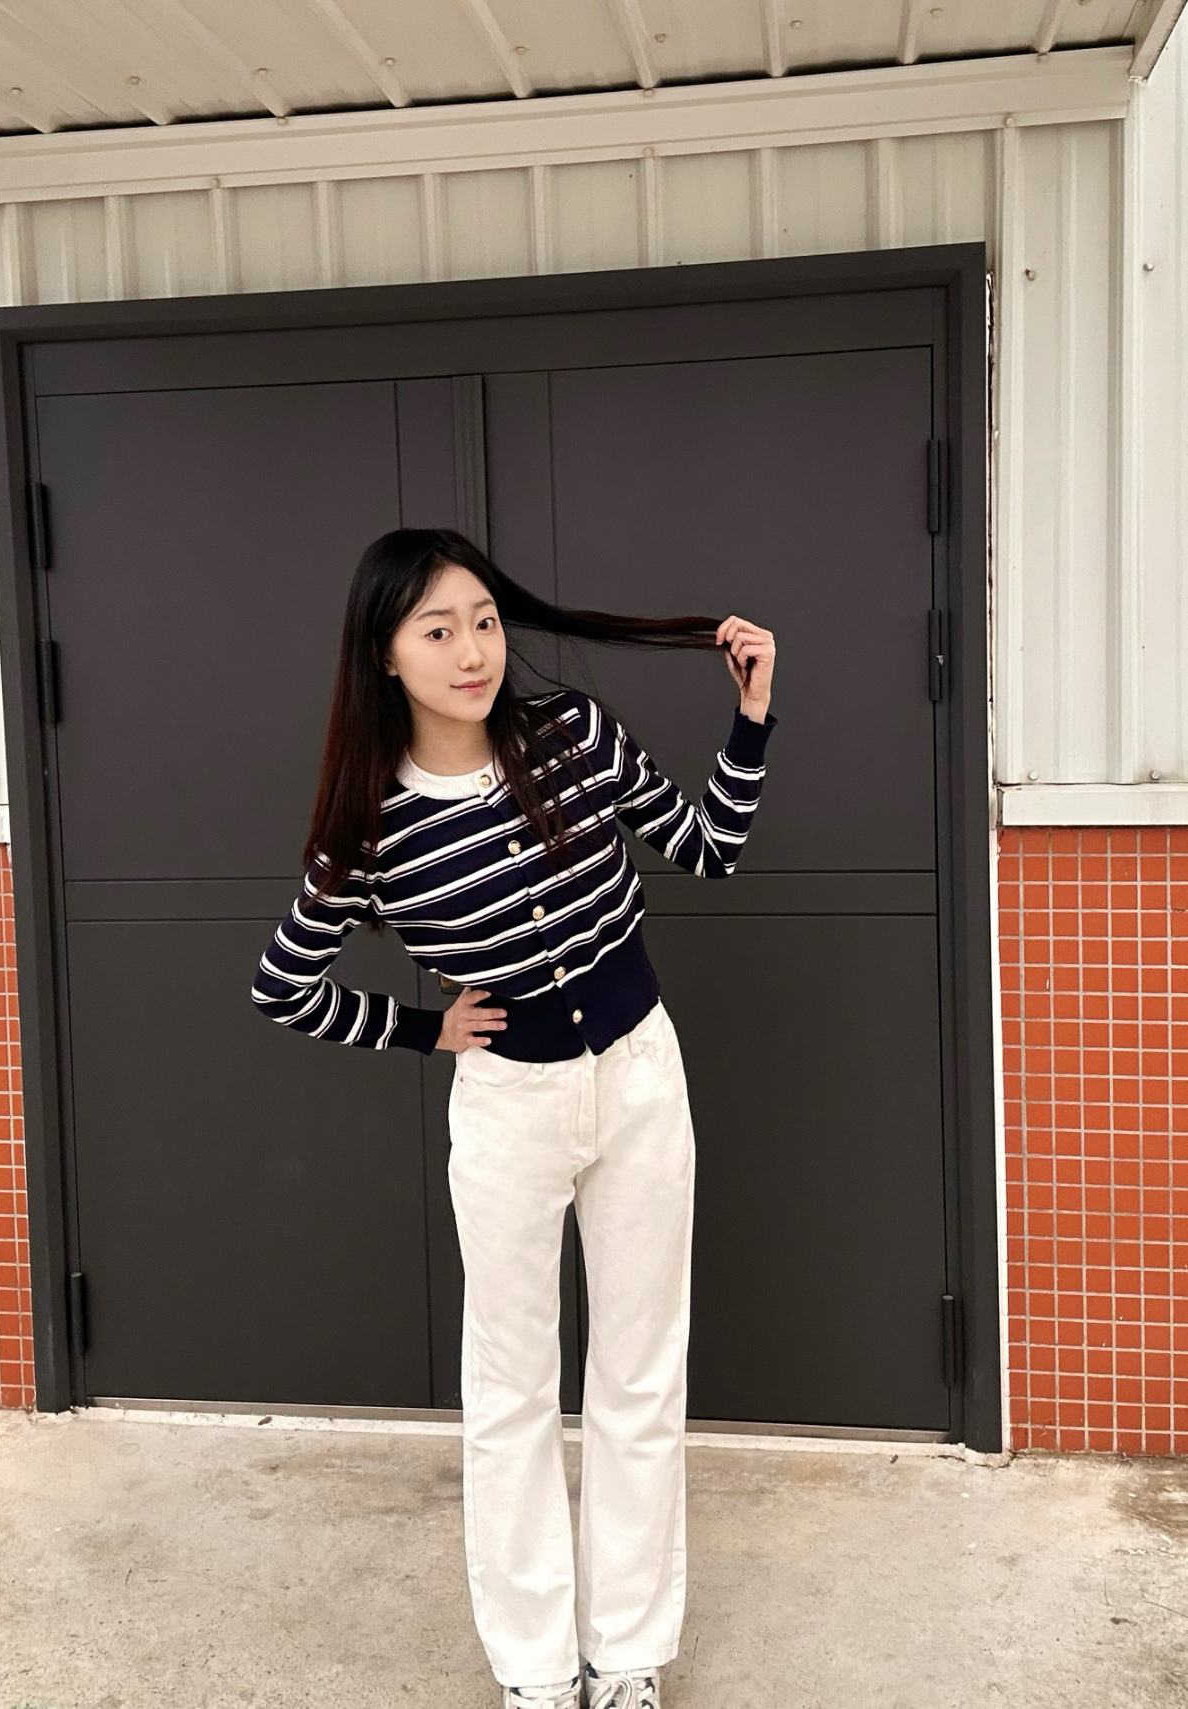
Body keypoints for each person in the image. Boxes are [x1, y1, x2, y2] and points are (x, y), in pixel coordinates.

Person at [250, 527, 777, 1709]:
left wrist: (750, 717)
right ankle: (536, 1668)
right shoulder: (372, 826)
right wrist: (419, 1030)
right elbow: (285, 983)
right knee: (513, 1387)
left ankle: (629, 1654)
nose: (472, 650)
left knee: (639, 1372)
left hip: (641, 1078)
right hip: (509, 1108)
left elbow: (709, 849)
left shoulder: (573, 735)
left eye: (483, 621)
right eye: (437, 629)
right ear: (384, 654)